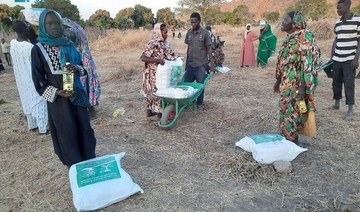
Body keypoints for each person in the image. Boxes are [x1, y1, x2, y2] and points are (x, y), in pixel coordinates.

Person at [31, 9, 96, 167]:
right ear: (42, 26)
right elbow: (38, 79)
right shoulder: (38, 49)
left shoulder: (70, 45)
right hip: (58, 101)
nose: (54, 26)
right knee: (66, 130)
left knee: (84, 127)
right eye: (49, 23)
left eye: (57, 23)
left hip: (77, 95)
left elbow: (83, 69)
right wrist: (56, 92)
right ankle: (74, 165)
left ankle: (89, 159)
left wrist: (76, 69)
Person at [273, 12, 321, 144]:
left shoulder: (305, 38)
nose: (283, 22)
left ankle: (292, 142)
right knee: (286, 111)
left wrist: (302, 88)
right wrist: (278, 81)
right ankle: (288, 139)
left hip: (297, 85)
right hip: (286, 84)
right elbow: (283, 62)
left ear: (295, 23)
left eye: (286, 19)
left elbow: (307, 65)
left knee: (294, 113)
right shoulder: (290, 38)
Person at [10, 20, 48, 134]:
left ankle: (33, 125)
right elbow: (36, 66)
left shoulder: (13, 43)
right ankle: (43, 129)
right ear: (24, 30)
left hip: (21, 79)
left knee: (27, 101)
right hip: (31, 79)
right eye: (27, 28)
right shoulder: (30, 47)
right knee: (40, 101)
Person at [62, 18, 101, 118]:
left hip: (80, 70)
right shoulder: (80, 42)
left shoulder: (76, 50)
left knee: (82, 89)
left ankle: (89, 108)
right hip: (78, 70)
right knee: (80, 89)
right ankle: (88, 108)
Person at [140, 23, 178, 118]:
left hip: (162, 72)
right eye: (165, 32)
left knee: (158, 91)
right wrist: (157, 60)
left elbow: (169, 54)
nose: (167, 35)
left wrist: (176, 59)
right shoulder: (152, 43)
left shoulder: (165, 43)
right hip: (152, 73)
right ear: (159, 32)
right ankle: (159, 114)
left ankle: (154, 111)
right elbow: (143, 57)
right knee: (154, 92)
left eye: (167, 32)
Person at [331, 0, 360, 121]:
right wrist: (332, 53)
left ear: (347, 6)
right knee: (336, 81)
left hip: (349, 59)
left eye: (339, 8)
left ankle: (350, 109)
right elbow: (337, 38)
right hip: (337, 58)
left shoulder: (357, 20)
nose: (337, 10)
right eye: (337, 8)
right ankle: (337, 103)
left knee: (349, 83)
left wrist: (356, 58)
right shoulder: (338, 22)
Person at [184, 12, 214, 110]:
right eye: (191, 22)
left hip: (201, 65)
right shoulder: (189, 33)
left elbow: (209, 49)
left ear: (199, 21)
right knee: (186, 85)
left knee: (200, 86)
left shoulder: (205, 33)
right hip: (190, 64)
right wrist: (186, 63)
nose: (193, 24)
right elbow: (188, 49)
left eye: (195, 22)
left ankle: (199, 104)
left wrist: (212, 63)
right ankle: (187, 103)